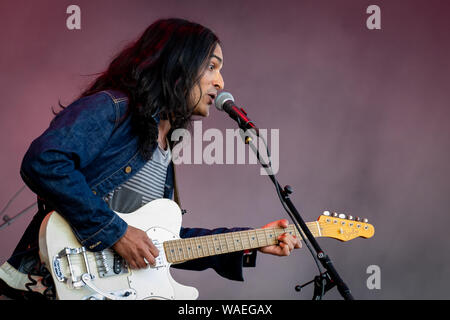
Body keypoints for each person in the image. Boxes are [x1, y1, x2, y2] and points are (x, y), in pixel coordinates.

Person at [0, 18, 301, 300]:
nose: (220, 82)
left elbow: (158, 243)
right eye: (211, 66)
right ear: (177, 66)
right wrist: (115, 232)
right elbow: (45, 161)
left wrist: (252, 240)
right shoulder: (114, 107)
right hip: (46, 285)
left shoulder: (165, 147)